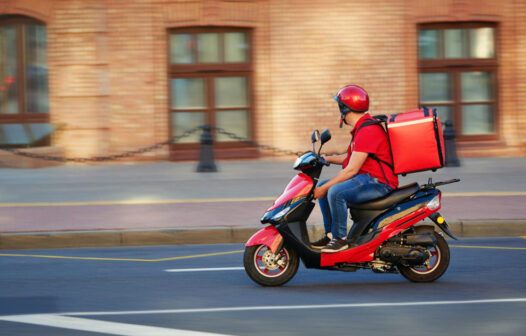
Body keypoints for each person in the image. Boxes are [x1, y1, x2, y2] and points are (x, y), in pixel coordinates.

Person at [311, 85, 399, 253]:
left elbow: (351, 170)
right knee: (325, 184)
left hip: (379, 182)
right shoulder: (362, 128)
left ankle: (340, 239)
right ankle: (331, 236)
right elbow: (351, 159)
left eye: (339, 106)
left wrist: (323, 188)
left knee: (335, 191)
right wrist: (325, 159)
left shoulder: (368, 130)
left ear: (345, 108)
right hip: (367, 178)